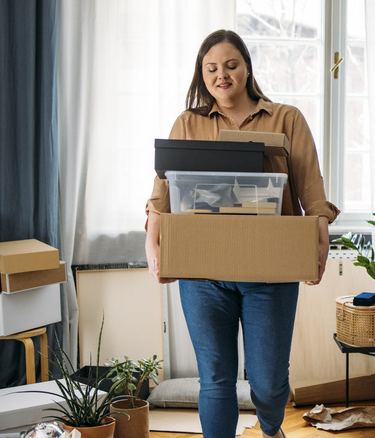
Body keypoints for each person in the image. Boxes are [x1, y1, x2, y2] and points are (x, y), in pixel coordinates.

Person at [144, 29, 339, 438]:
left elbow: (312, 191)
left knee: (267, 382)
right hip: (203, 273)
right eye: (211, 68)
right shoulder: (188, 123)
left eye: (231, 65)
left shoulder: (286, 118)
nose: (222, 75)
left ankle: (270, 428)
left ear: (247, 68)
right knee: (215, 377)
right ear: (202, 75)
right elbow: (161, 196)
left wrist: (320, 236)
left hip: (270, 272)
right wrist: (153, 245)